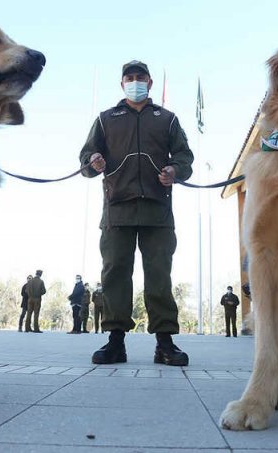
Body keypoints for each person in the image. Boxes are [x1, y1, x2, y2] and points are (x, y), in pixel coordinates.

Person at [79, 60, 194, 366]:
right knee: (115, 272)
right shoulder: (106, 120)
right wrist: (94, 161)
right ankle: (115, 342)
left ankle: (165, 343)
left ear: (150, 82)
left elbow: (185, 157)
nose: (134, 82)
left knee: (159, 274)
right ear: (122, 85)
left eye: (139, 77)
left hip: (158, 209)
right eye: (129, 78)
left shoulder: (167, 119)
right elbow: (85, 159)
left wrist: (175, 170)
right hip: (118, 209)